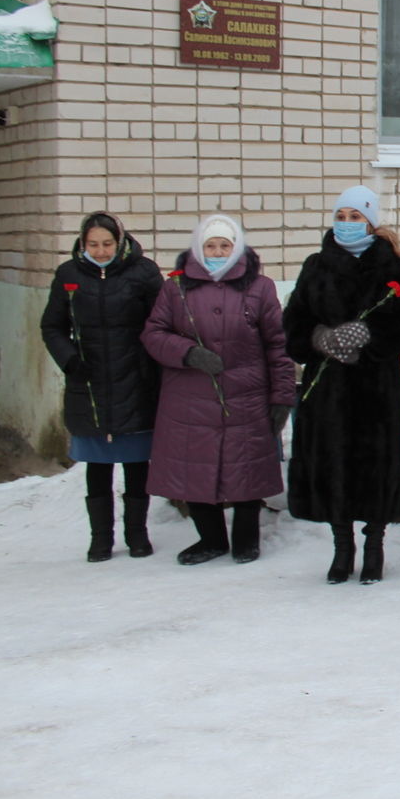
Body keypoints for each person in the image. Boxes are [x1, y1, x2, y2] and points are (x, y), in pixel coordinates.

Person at [284, 186, 400, 584]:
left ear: (371, 222)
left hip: (375, 387)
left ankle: (375, 543)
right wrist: (319, 339)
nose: (347, 224)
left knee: (375, 465)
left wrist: (368, 336)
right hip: (327, 388)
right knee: (333, 463)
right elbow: (293, 323)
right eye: (341, 216)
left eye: (356, 217)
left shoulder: (392, 266)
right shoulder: (316, 265)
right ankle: (342, 546)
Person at [143, 213, 295, 566]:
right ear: (198, 248)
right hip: (190, 398)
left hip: (246, 394)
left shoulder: (259, 287)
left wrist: (282, 396)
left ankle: (246, 540)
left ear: (237, 248)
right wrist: (188, 353)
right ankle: (210, 539)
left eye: (224, 245)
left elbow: (278, 345)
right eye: (210, 245)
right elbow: (153, 334)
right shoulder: (175, 288)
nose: (217, 251)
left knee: (245, 469)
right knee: (193, 471)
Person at [40, 212, 163, 561]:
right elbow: (52, 326)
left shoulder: (143, 272)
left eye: (107, 243)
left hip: (135, 379)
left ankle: (137, 535)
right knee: (98, 465)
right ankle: (100, 539)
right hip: (89, 382)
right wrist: (69, 359)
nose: (101, 250)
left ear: (120, 240)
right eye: (93, 244)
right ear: (82, 243)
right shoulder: (69, 275)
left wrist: (150, 363)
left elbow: (160, 322)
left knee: (137, 462)